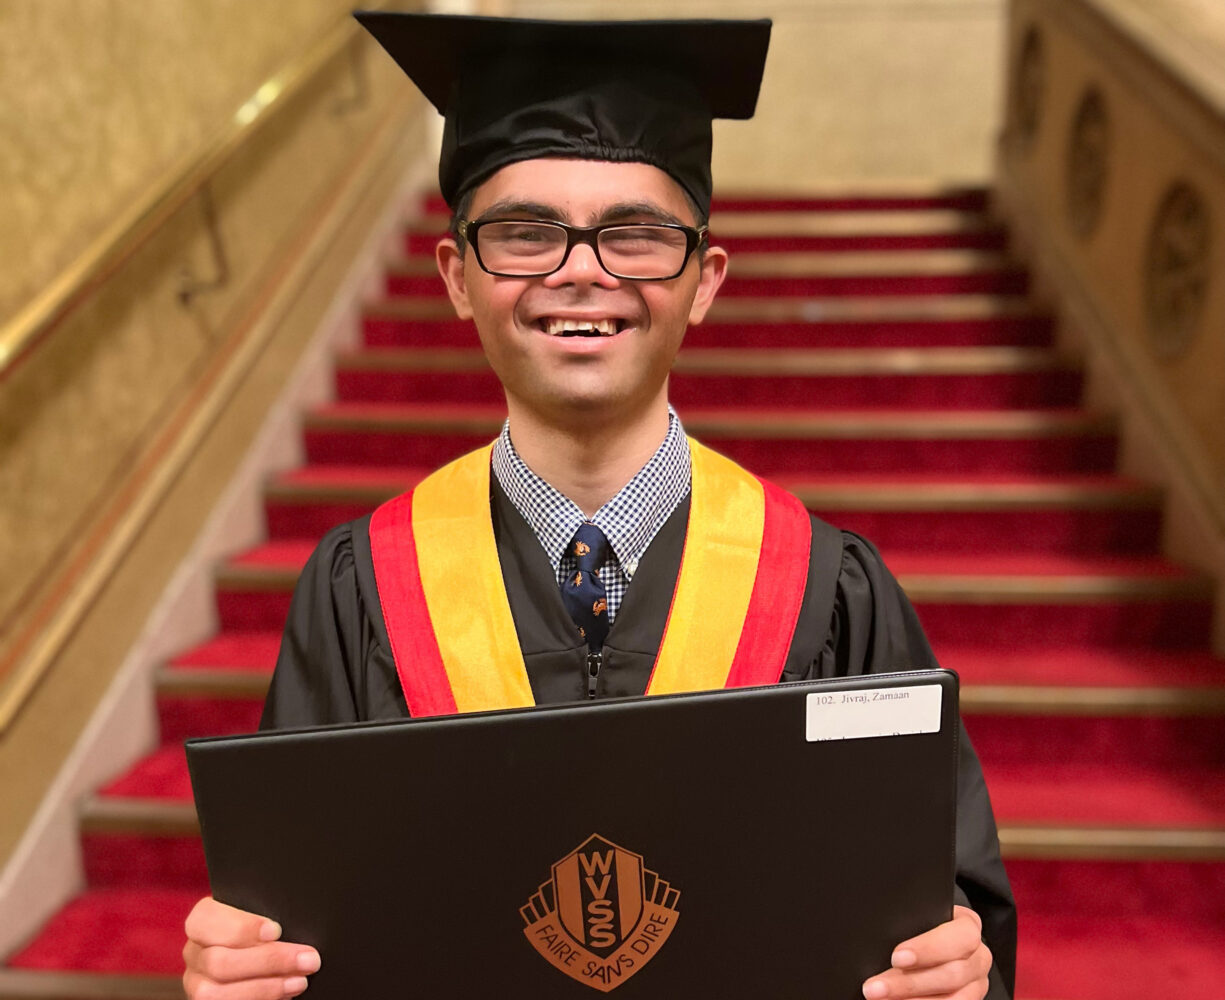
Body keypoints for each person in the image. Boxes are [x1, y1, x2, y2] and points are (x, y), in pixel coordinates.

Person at [182, 12, 1016, 1000]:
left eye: (635, 233)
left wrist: (960, 971)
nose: (582, 269)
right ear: (457, 276)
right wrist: (242, 969)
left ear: (703, 282)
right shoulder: (364, 584)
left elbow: (941, 895)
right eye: (526, 233)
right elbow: (301, 918)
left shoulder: (824, 583)